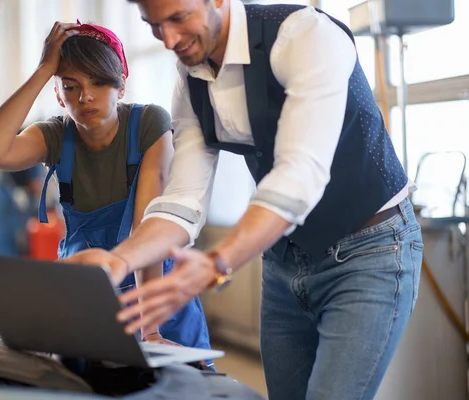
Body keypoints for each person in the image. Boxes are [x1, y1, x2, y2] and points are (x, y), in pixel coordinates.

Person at [62, 1, 424, 399]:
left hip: (370, 249)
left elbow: (298, 176)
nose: (168, 39)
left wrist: (215, 263)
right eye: (154, 26)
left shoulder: (305, 36)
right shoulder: (191, 76)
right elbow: (184, 197)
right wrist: (120, 259)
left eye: (179, 18)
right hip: (285, 256)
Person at [0, 20, 212, 364]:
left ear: (121, 86)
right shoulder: (56, 136)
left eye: (99, 83)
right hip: (88, 296)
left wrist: (151, 333)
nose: (84, 97)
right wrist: (44, 70)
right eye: (70, 87)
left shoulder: (148, 124)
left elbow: (145, 228)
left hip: (154, 295)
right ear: (57, 94)